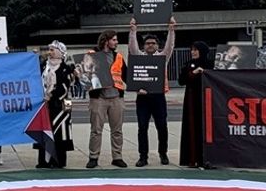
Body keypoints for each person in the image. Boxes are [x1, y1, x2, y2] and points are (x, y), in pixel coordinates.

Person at [128, 16, 177, 166]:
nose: (150, 45)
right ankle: (143, 156)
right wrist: (133, 30)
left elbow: (170, 46)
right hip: (142, 98)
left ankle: (163, 153)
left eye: (153, 43)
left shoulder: (162, 58)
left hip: (158, 97)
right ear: (144, 46)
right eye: (148, 43)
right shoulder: (139, 57)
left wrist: (171, 29)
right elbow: (132, 47)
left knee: (162, 126)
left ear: (157, 46)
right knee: (142, 127)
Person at [85, 30, 128, 169]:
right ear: (106, 40)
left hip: (116, 97)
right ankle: (93, 157)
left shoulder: (119, 57)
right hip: (99, 98)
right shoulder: (92, 55)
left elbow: (126, 75)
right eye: (114, 40)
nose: (116, 42)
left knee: (117, 130)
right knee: (96, 130)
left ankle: (117, 157)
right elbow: (85, 76)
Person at [36, 40, 76, 169]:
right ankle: (44, 160)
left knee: (61, 131)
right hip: (45, 103)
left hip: (63, 103)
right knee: (45, 131)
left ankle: (59, 160)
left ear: (60, 52)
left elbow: (66, 87)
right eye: (49, 49)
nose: (49, 52)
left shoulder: (67, 68)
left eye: (52, 50)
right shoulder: (43, 66)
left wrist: (52, 96)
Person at [178, 41, 214, 168]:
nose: (193, 52)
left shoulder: (210, 64)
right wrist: (193, 73)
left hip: (208, 100)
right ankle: (192, 158)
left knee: (208, 128)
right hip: (192, 101)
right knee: (193, 128)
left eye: (196, 50)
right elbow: (181, 81)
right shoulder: (188, 64)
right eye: (191, 49)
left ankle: (207, 158)